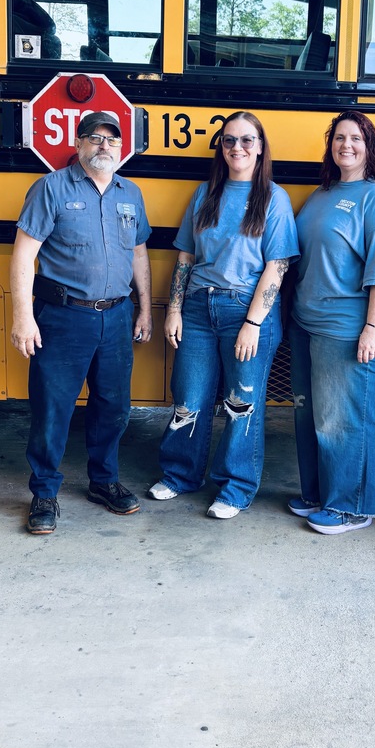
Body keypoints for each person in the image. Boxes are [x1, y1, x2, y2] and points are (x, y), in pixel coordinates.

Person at [149, 111, 298, 519]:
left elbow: (277, 266)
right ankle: (181, 475)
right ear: (221, 146)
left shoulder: (274, 198)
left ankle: (235, 488)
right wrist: (174, 309)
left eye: (247, 140)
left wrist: (253, 324)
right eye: (229, 140)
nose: (238, 148)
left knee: (240, 404)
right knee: (189, 399)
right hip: (197, 308)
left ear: (261, 147)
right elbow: (185, 255)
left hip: (246, 312)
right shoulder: (205, 194)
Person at [10, 111, 153, 535]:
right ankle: (44, 492)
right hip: (63, 317)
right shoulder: (50, 189)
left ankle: (103, 481)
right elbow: (23, 257)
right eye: (94, 138)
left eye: (111, 139)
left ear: (121, 147)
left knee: (114, 407)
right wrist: (22, 317)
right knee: (52, 409)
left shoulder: (131, 194)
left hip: (117, 315)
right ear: (79, 143)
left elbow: (139, 255)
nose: (103, 145)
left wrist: (145, 308)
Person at [288, 111, 375, 534]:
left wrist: (373, 329)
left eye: (356, 138)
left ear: (369, 146)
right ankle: (320, 494)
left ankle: (351, 506)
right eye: (339, 137)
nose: (346, 145)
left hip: (348, 325)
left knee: (344, 418)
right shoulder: (324, 192)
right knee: (311, 415)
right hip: (307, 322)